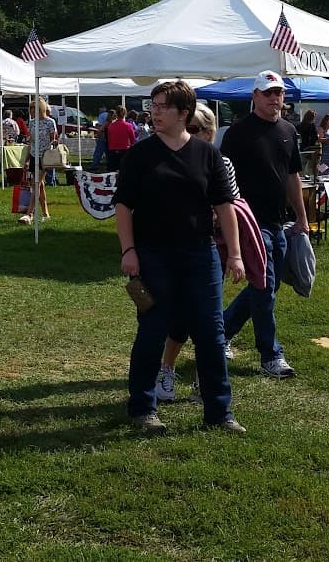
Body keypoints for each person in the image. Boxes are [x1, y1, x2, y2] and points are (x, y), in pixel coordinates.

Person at [116, 81, 246, 435]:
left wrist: (234, 254)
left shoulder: (208, 155)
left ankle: (219, 413)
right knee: (153, 330)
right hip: (153, 255)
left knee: (211, 333)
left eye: (162, 106)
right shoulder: (141, 154)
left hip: (200, 255)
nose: (154, 112)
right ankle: (143, 408)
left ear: (183, 113)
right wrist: (129, 251)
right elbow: (123, 206)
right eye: (153, 105)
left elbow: (224, 206)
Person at [219, 71, 308, 381]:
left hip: (278, 221)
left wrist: (301, 215)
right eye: (268, 92)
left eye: (279, 93)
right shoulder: (238, 133)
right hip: (250, 222)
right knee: (265, 286)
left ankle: (222, 333)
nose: (274, 98)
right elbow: (223, 180)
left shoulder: (288, 130)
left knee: (266, 286)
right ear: (254, 96)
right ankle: (271, 355)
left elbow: (292, 176)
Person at [154, 103, 244, 401]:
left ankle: (205, 384)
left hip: (209, 248)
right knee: (179, 315)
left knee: (209, 321)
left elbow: (230, 204)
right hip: (173, 247)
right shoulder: (165, 159)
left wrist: (234, 252)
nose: (185, 134)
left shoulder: (220, 162)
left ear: (208, 132)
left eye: (192, 129)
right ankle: (165, 370)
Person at [21, 98, 57, 224]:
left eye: (33, 109)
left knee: (36, 183)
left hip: (45, 156)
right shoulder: (31, 123)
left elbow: (54, 140)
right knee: (38, 184)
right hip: (33, 155)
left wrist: (51, 149)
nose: (31, 112)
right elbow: (30, 142)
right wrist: (26, 160)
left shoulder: (50, 122)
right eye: (30, 109)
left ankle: (29, 214)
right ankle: (46, 213)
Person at [106, 106, 137, 172]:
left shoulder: (111, 125)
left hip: (113, 151)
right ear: (125, 114)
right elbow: (133, 140)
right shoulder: (128, 125)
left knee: (112, 172)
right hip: (125, 151)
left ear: (116, 114)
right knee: (125, 171)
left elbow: (109, 139)